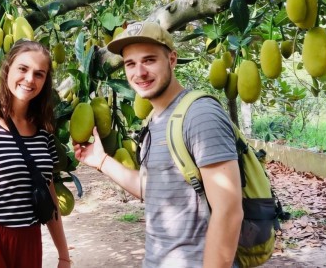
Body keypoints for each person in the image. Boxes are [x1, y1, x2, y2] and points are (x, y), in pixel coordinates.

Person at [74, 21, 244, 268]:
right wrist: (102, 161)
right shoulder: (155, 119)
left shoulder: (200, 115)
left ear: (172, 60)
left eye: (149, 60)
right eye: (130, 64)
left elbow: (228, 212)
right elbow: (154, 189)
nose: (139, 72)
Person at [0, 40, 71, 268]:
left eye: (39, 74)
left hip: (29, 240)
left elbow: (49, 195)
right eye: (23, 69)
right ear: (7, 69)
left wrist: (64, 255)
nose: (29, 79)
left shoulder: (43, 133)